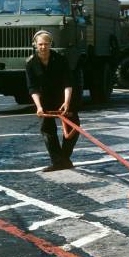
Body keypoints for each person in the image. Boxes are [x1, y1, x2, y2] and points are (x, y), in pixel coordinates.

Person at [26, 30, 80, 172]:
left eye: (46, 44)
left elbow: (68, 83)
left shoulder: (60, 59)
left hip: (64, 97)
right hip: (45, 99)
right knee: (47, 129)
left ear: (51, 44)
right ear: (35, 45)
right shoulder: (31, 63)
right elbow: (33, 88)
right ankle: (58, 161)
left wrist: (67, 102)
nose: (43, 47)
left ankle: (64, 158)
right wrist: (38, 107)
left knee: (74, 126)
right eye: (40, 44)